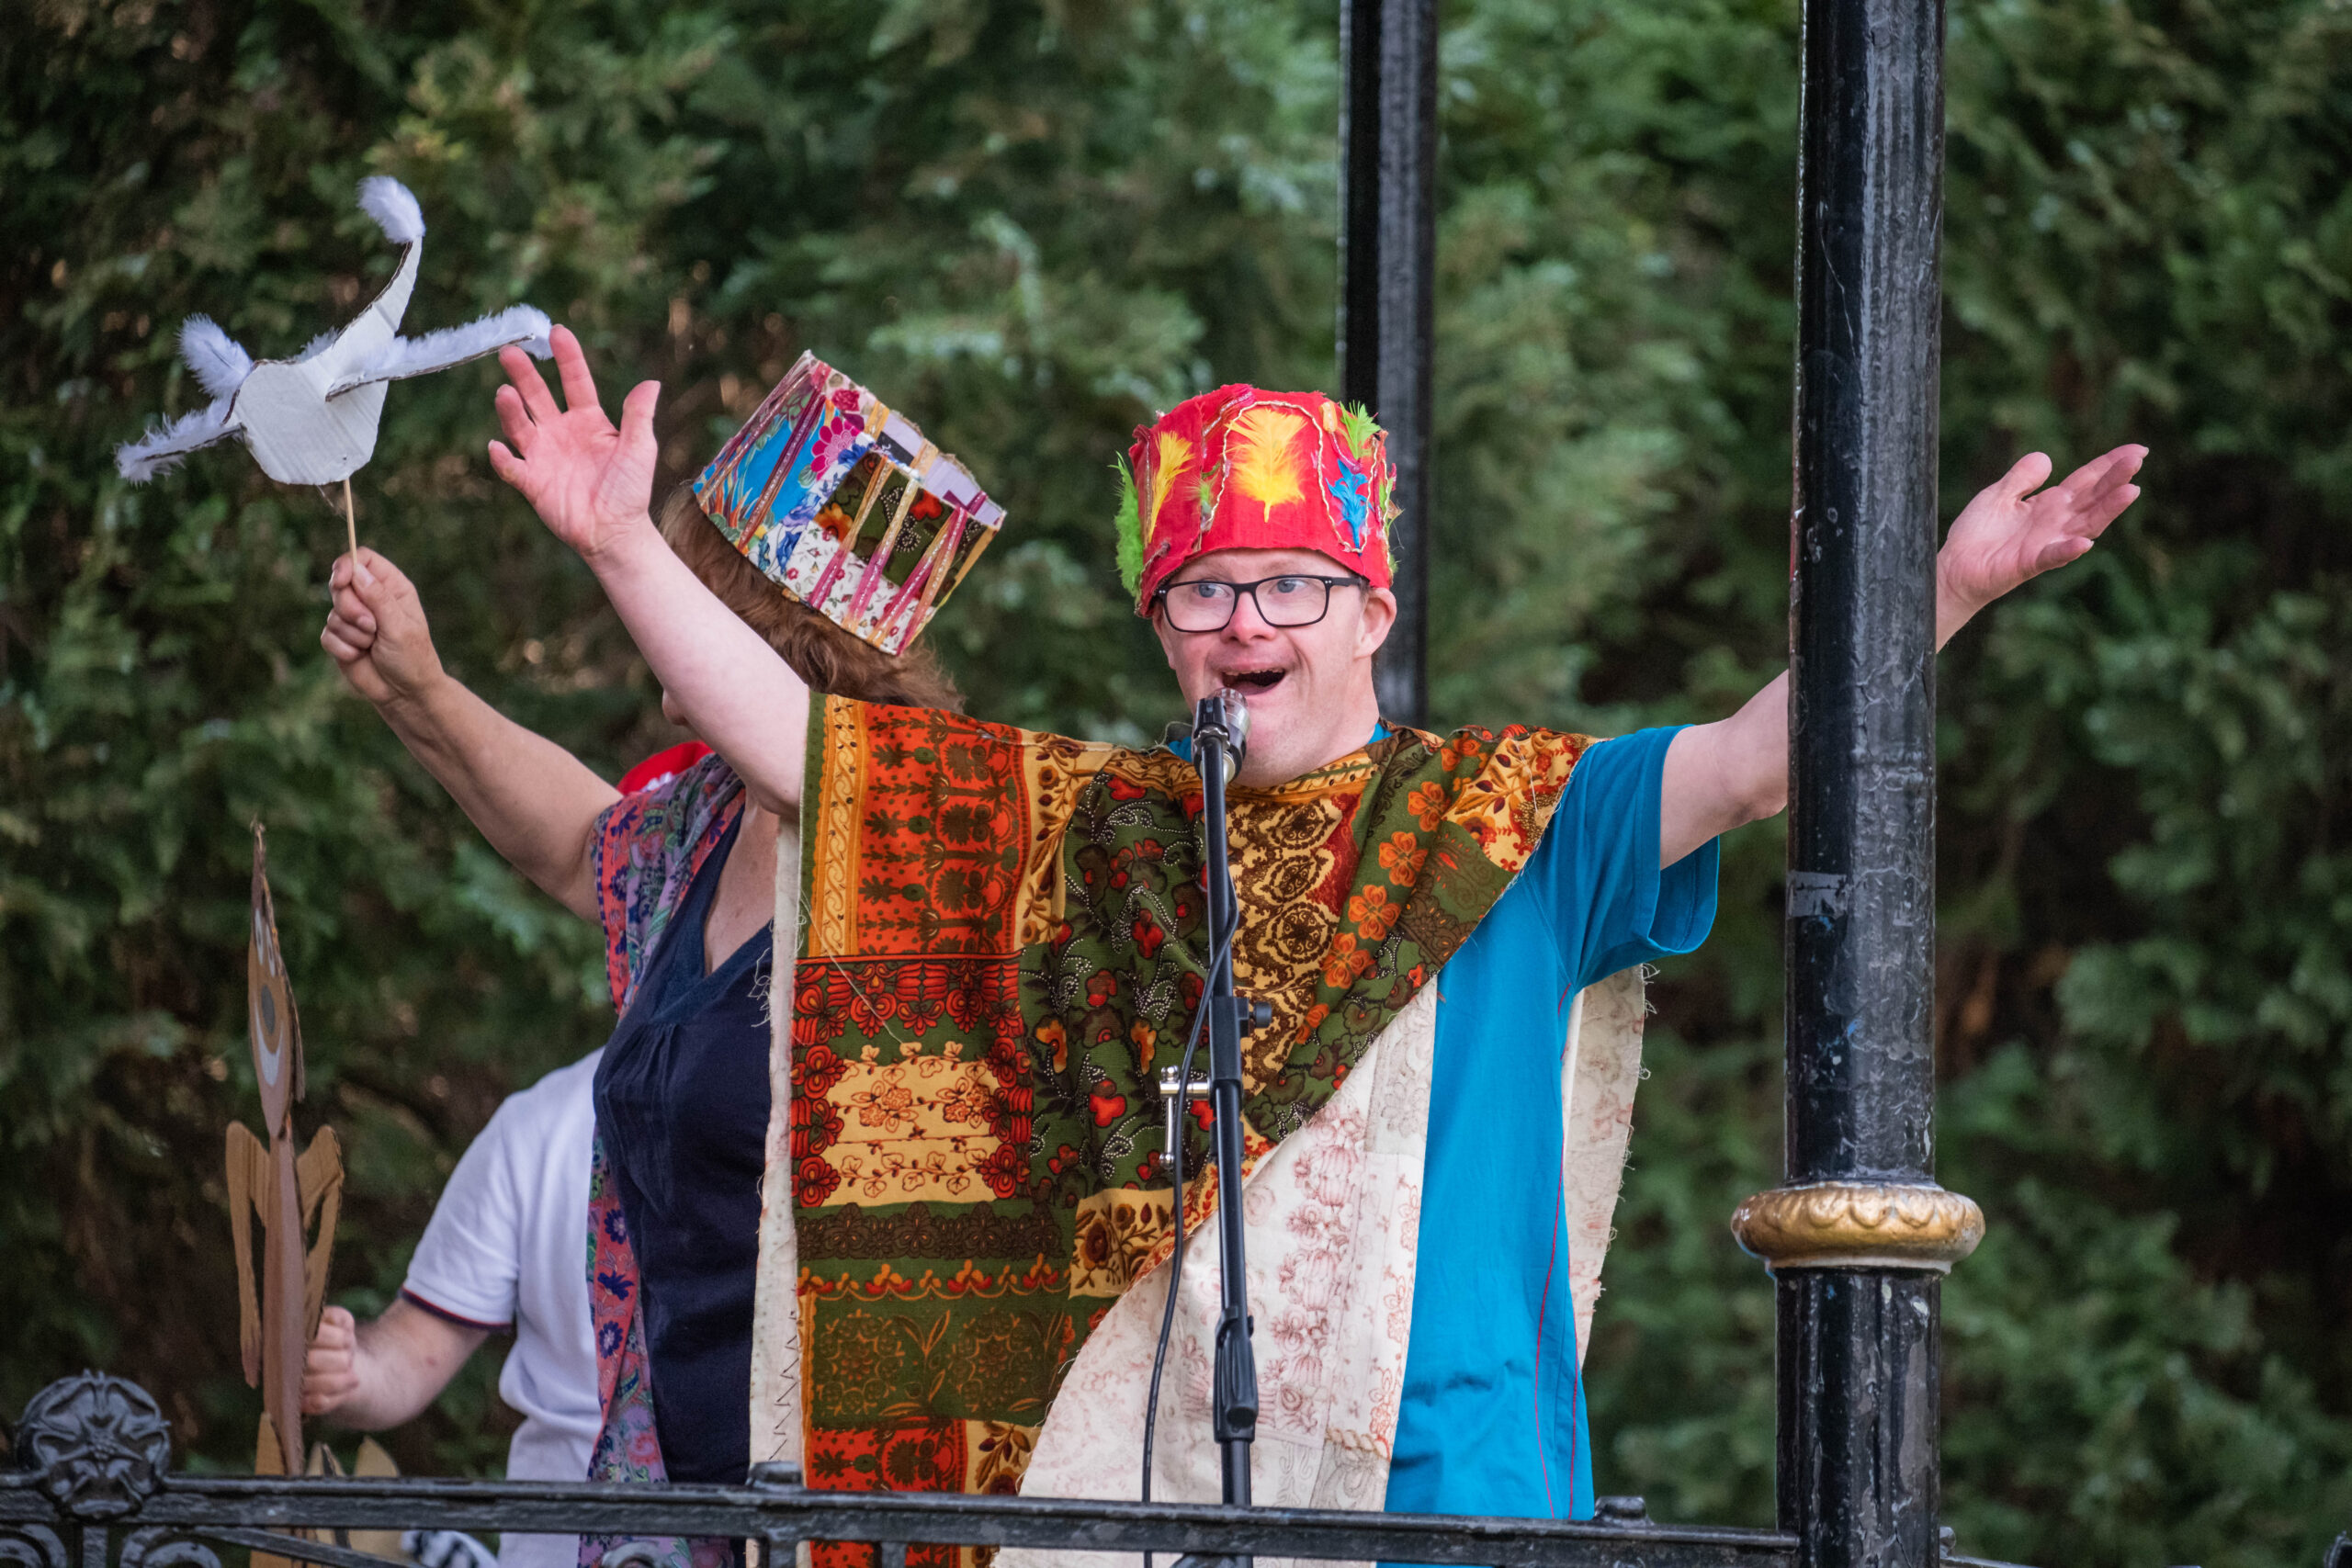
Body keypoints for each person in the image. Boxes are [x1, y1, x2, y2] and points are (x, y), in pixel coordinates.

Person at [477, 326, 2143, 1562]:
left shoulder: (1510, 818)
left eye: (1291, 584)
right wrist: (622, 543)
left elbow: (1760, 757)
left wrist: (1943, 592)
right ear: (1161, 628)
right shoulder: (1110, 842)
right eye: (1202, 591)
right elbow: (816, 753)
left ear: (1373, 613)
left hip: (1453, 1509)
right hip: (1163, 1514)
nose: (1245, 622)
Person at [318, 364, 972, 1568]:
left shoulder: (909, 820)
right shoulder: (715, 817)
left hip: (846, 1512)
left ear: (750, 616)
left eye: (691, 579)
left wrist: (616, 541)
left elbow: (818, 765)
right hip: (674, 1501)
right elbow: (583, 846)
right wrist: (418, 690)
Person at [301, 1051, 604, 1568]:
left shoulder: (765, 1133)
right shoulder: (538, 1125)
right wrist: (346, 1368)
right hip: (560, 1550)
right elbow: (416, 1347)